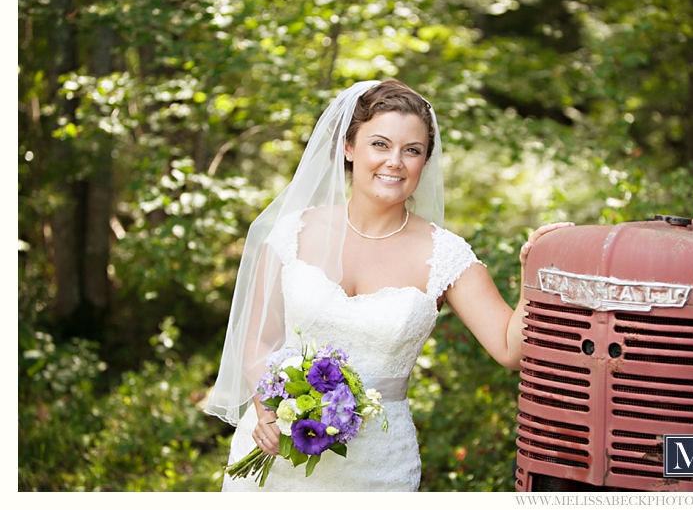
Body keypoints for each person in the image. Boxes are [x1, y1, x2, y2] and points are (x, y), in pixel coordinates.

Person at [205, 79, 572, 491]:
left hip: (377, 467)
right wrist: (268, 411)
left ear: (424, 162)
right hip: (274, 458)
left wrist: (534, 276)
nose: (395, 161)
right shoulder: (294, 232)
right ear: (349, 147)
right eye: (379, 144)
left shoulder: (445, 254)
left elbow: (510, 349)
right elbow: (257, 341)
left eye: (411, 150)